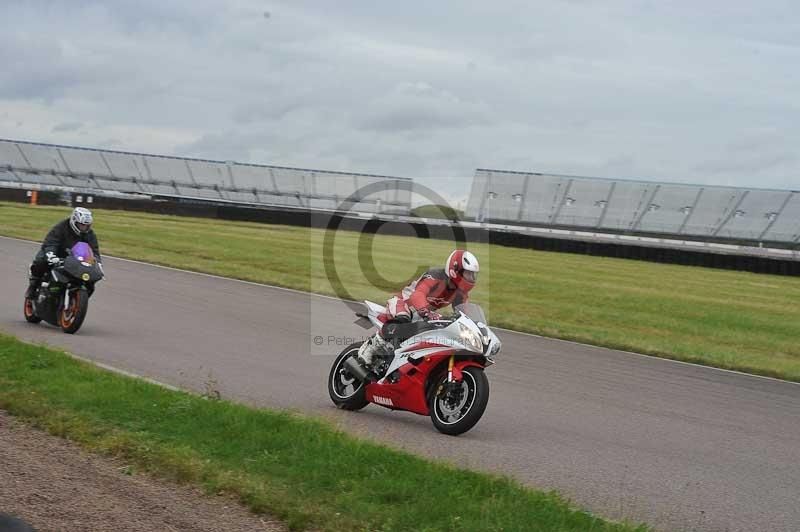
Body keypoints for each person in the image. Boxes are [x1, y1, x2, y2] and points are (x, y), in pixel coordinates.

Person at [357, 249, 480, 369]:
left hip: (421, 314)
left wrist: (473, 328)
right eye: (468, 274)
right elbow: (418, 294)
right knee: (403, 319)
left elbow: (464, 315)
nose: (471, 278)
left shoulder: (460, 293)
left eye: (473, 275)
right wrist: (426, 312)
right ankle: (371, 345)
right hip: (402, 303)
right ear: (455, 269)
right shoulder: (435, 275)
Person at [25, 207, 103, 299]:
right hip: (56, 254)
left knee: (90, 279)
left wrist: (97, 262)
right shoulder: (61, 227)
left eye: (86, 226)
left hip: (74, 258)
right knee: (41, 262)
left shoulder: (89, 234)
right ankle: (33, 286)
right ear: (74, 221)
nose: (84, 228)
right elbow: (51, 243)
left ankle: (77, 299)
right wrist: (51, 255)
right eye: (81, 225)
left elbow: (94, 250)